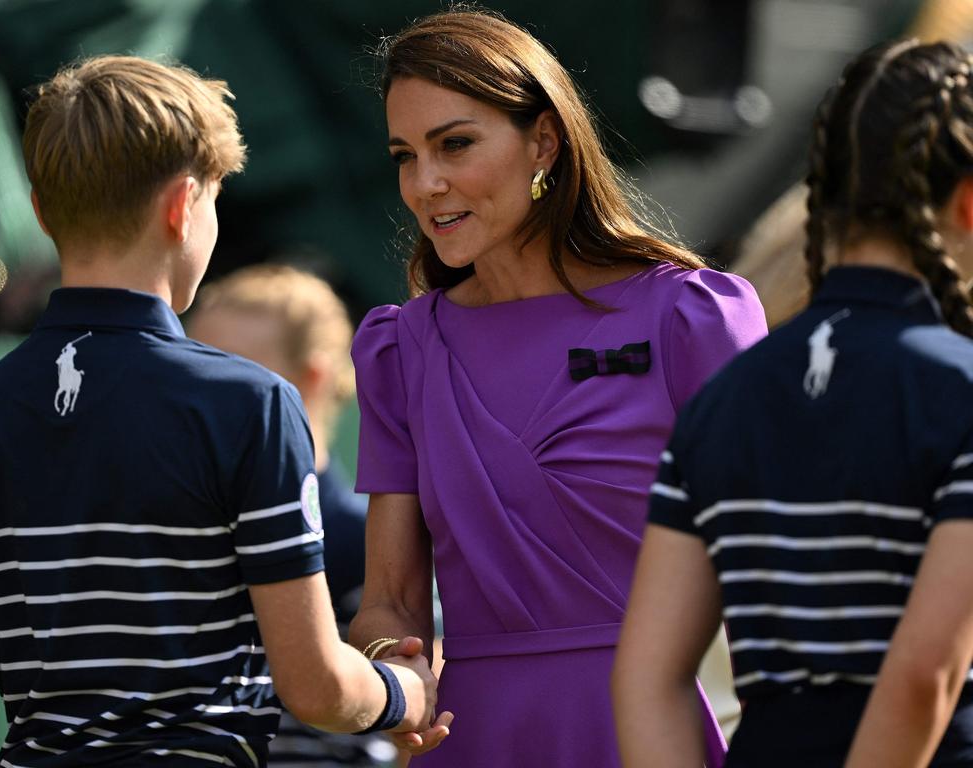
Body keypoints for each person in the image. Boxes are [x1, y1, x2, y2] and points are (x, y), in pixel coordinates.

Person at [0, 54, 438, 767]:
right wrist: (404, 693)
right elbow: (314, 686)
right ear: (183, 205)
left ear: (41, 212)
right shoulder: (252, 404)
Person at [347, 9, 767, 767]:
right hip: (473, 741)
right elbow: (391, 598)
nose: (425, 183)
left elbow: (777, 567)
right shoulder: (398, 349)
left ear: (544, 140)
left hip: (656, 733)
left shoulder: (693, 317)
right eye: (405, 155)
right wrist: (393, 666)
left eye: (456, 144)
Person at [612, 39, 973, 768]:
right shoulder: (963, 390)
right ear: (968, 201)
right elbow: (923, 675)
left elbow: (646, 680)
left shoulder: (726, 397)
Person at [188, 263, 397, 767]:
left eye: (232, 376)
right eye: (193, 370)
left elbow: (418, 702)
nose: (200, 399)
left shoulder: (364, 537)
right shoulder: (181, 524)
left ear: (314, 379)